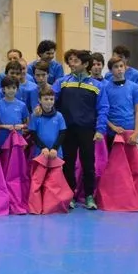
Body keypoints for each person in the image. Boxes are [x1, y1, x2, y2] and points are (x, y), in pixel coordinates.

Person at [52, 49, 109, 210]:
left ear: (85, 64)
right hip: (67, 130)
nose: (71, 64)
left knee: (88, 164)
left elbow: (103, 109)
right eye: (70, 60)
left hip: (87, 130)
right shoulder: (61, 82)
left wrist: (100, 129)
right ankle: (69, 194)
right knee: (68, 163)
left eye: (76, 61)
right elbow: (51, 101)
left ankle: (89, 195)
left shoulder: (97, 86)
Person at [0, 77, 29, 148]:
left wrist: (22, 126)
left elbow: (28, 124)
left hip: (17, 140)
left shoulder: (22, 105)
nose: (11, 90)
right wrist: (4, 126)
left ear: (17, 89)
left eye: (14, 88)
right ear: (3, 89)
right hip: (2, 139)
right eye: (8, 88)